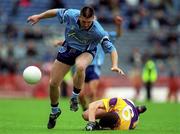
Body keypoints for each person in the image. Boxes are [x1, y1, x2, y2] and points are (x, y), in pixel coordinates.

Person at [27, 6, 124, 129]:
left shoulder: (98, 31)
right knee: (53, 83)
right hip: (68, 50)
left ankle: (74, 97)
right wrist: (39, 16)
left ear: (93, 19)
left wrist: (115, 65)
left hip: (87, 52)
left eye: (89, 22)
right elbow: (55, 12)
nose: (86, 24)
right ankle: (54, 111)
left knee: (80, 66)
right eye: (84, 21)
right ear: (79, 17)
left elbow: (112, 49)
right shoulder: (71, 14)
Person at [79, 15, 123, 111]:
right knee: (80, 95)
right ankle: (86, 110)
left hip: (95, 66)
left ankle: (93, 114)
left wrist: (118, 25)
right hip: (82, 66)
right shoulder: (81, 34)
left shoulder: (103, 34)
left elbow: (118, 35)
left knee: (92, 92)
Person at [82, 97, 147, 131]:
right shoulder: (134, 121)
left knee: (86, 114)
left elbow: (92, 105)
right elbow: (92, 105)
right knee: (86, 114)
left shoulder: (117, 101)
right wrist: (92, 123)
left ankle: (98, 125)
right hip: (121, 114)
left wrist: (91, 123)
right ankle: (99, 125)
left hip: (119, 111)